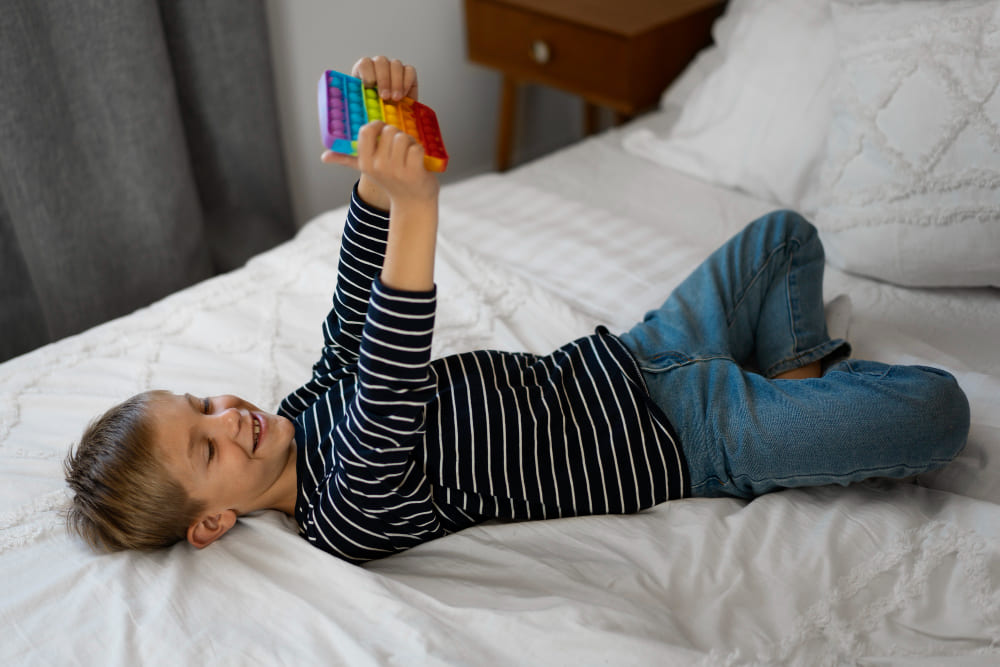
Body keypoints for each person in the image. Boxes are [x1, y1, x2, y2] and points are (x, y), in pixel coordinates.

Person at [64, 57, 971, 564]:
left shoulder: (303, 411)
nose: (231, 417)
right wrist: (420, 211)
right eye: (208, 447)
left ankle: (793, 384)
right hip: (688, 438)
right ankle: (780, 411)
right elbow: (388, 369)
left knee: (781, 235)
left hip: (637, 355)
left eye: (204, 403)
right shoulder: (346, 512)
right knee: (941, 412)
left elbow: (350, 321)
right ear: (212, 520)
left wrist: (379, 178)